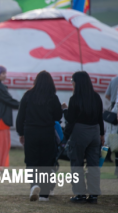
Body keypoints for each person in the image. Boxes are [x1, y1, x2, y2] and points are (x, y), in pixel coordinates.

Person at [16, 71, 62, 201]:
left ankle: (34, 185)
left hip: (30, 133)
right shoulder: (53, 97)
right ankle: (44, 194)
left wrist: (21, 133)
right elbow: (58, 116)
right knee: (46, 162)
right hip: (47, 133)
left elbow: (20, 117)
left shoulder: (28, 95)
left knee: (32, 161)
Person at [62, 71, 104, 204]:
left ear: (77, 83)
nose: (72, 83)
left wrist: (64, 110)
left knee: (77, 163)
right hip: (95, 132)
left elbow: (70, 119)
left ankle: (79, 194)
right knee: (93, 165)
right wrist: (101, 134)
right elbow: (100, 117)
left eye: (72, 81)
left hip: (80, 132)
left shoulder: (74, 99)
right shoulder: (96, 97)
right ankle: (93, 195)